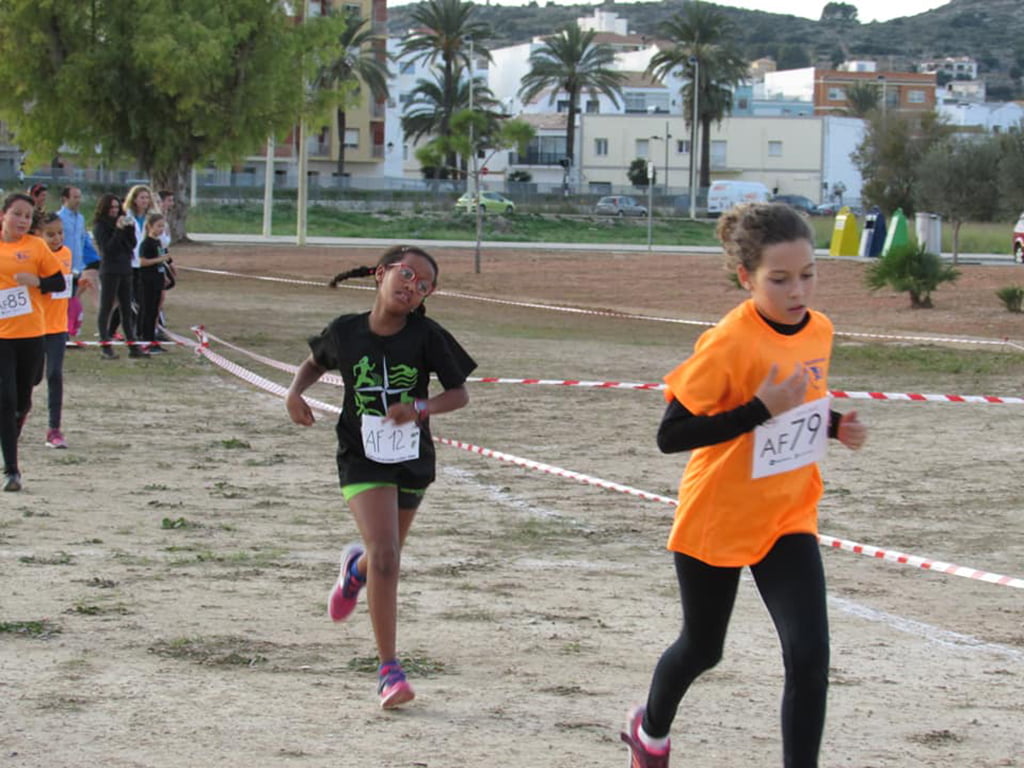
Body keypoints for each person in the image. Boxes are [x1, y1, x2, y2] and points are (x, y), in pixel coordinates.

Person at [621, 202, 867, 768]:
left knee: (809, 658)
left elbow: (797, 406)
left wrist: (834, 425)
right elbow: (672, 434)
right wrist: (757, 408)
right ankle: (649, 730)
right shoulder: (729, 341)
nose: (797, 290)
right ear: (746, 278)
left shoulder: (821, 330)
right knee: (704, 649)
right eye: (779, 279)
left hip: (787, 514)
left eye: (808, 274)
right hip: (719, 515)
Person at [285, 245, 475, 710]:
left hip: (411, 457)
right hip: (361, 455)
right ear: (380, 273)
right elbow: (316, 361)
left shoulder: (428, 336)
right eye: (406, 274)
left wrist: (420, 409)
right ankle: (389, 669)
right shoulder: (346, 331)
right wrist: (294, 393)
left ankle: (355, 572)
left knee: (383, 556)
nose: (412, 286)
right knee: (388, 554)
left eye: (424, 284)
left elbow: (459, 393)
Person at [0, 194, 65, 490]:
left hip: (31, 333)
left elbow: (59, 283)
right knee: (6, 398)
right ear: (3, 215)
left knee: (24, 397)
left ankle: (14, 426)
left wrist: (36, 281)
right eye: (17, 214)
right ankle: (11, 471)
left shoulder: (36, 246)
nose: (22, 221)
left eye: (27, 216)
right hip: (2, 337)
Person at [33, 213, 77, 449]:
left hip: (57, 327)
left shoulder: (67, 254)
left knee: (55, 375)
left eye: (60, 233)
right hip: (33, 326)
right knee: (31, 378)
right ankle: (17, 416)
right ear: (39, 235)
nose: (57, 238)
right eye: (50, 234)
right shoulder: (33, 256)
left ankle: (54, 428)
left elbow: (65, 290)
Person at [92, 193, 148, 360]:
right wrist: (117, 230)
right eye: (111, 208)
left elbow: (131, 245)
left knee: (126, 308)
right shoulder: (100, 226)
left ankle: (132, 344)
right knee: (106, 306)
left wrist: (128, 229)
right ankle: (105, 344)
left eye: (117, 208)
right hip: (110, 270)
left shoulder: (123, 221)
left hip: (125, 268)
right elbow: (109, 248)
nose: (114, 211)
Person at [56, 186, 100, 340]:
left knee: (73, 298)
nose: (78, 200)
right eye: (75, 197)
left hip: (77, 266)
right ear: (65, 199)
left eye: (79, 197)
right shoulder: (58, 218)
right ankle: (62, 333)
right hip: (62, 266)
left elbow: (84, 240)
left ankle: (68, 331)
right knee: (62, 300)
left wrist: (93, 259)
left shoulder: (80, 218)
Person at [136, 213, 171, 353]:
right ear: (150, 226)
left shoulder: (158, 242)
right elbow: (142, 261)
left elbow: (161, 261)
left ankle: (152, 339)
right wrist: (159, 259)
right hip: (147, 282)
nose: (161, 229)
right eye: (158, 226)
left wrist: (164, 275)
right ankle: (144, 340)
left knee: (155, 311)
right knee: (147, 311)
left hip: (157, 280)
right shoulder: (146, 243)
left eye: (163, 226)